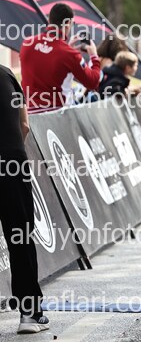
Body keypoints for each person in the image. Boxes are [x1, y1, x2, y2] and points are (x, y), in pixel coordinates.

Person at [0, 65, 49, 334]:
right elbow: (25, 126)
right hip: (11, 162)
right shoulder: (7, 75)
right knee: (20, 237)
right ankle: (29, 315)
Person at [20, 3, 102, 113]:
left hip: (28, 115)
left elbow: (46, 61)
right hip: (56, 116)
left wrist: (67, 47)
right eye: (72, 24)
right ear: (67, 24)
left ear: (49, 20)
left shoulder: (27, 43)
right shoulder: (69, 54)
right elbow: (93, 82)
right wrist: (94, 56)